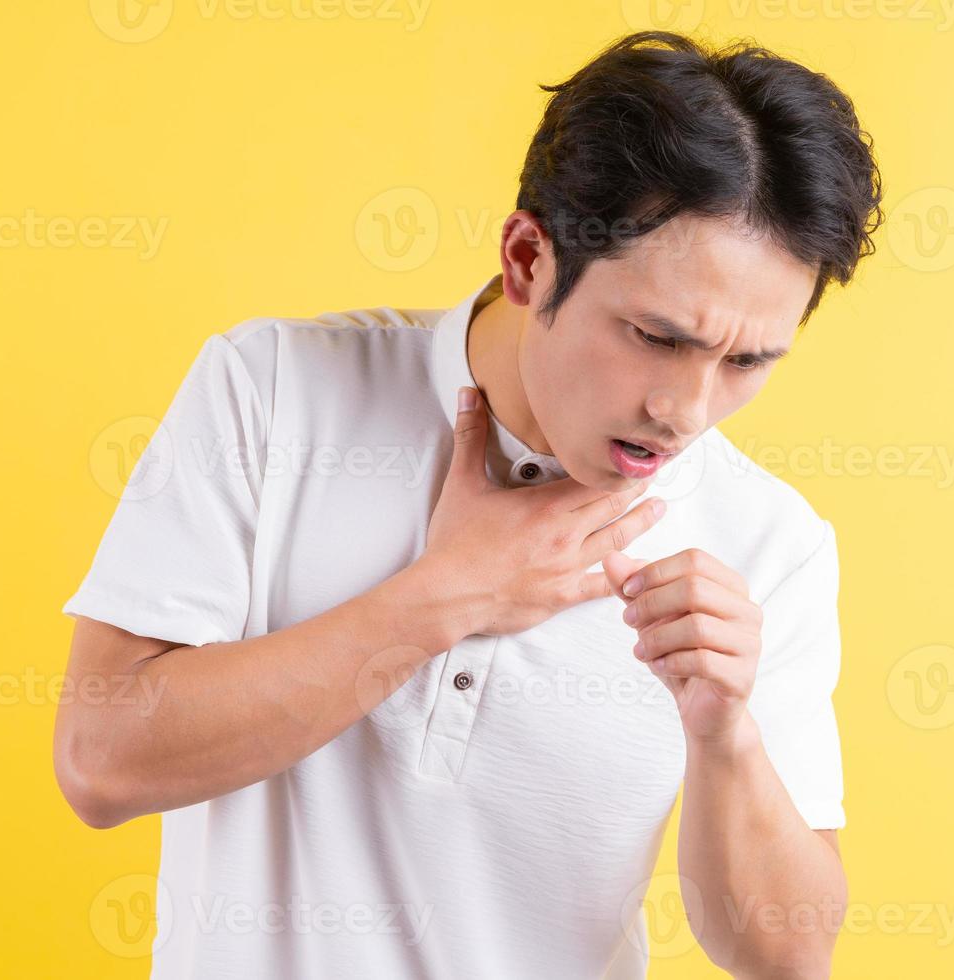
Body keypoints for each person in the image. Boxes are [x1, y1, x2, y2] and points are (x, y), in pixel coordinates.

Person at [54, 28, 883, 980]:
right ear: (531, 260)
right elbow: (101, 759)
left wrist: (725, 730)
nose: (685, 412)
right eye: (655, 336)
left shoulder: (770, 543)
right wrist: (447, 597)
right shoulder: (275, 389)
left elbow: (789, 957)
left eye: (746, 362)